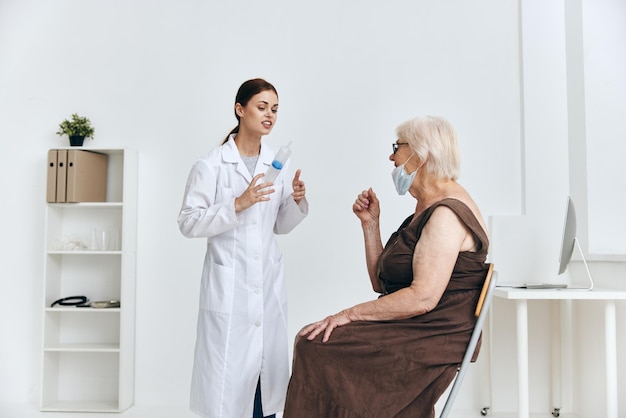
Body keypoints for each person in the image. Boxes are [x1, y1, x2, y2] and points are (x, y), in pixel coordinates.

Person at [283, 115, 490, 418]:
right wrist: (371, 226)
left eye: (397, 147)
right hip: (416, 325)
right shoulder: (426, 207)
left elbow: (423, 298)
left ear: (420, 154)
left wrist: (347, 315)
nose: (391, 156)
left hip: (431, 335)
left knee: (314, 343)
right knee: (312, 340)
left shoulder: (447, 214)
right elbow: (381, 283)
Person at [178, 78, 309, 418]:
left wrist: (296, 201)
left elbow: (278, 224)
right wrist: (237, 203)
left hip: (265, 284)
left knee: (266, 381)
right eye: (262, 107)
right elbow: (189, 222)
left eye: (275, 109)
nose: (270, 115)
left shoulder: (275, 164)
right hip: (230, 288)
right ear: (240, 109)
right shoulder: (211, 165)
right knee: (229, 384)